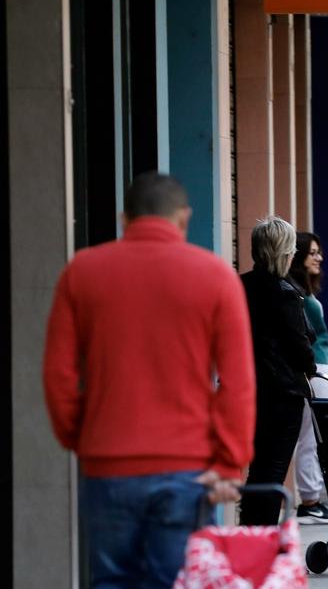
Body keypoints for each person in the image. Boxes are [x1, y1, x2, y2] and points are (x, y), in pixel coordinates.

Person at [43, 173, 254, 587]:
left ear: (125, 219)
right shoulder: (214, 276)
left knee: (110, 581)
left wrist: (81, 436)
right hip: (187, 468)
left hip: (107, 464)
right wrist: (230, 460)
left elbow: (58, 374)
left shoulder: (82, 273)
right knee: (177, 581)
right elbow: (238, 380)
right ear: (184, 217)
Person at [239, 216, 318, 526]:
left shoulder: (240, 285)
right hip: (282, 392)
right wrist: (310, 367)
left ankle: (249, 532)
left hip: (248, 389)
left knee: (257, 469)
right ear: (284, 251)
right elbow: (301, 347)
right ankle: (264, 538)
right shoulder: (286, 292)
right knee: (273, 470)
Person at [288, 231, 328, 524]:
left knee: (314, 436)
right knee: (312, 437)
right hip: (313, 369)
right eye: (312, 252)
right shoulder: (296, 294)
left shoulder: (304, 291)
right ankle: (310, 500)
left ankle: (312, 498)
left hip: (319, 369)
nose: (319, 257)